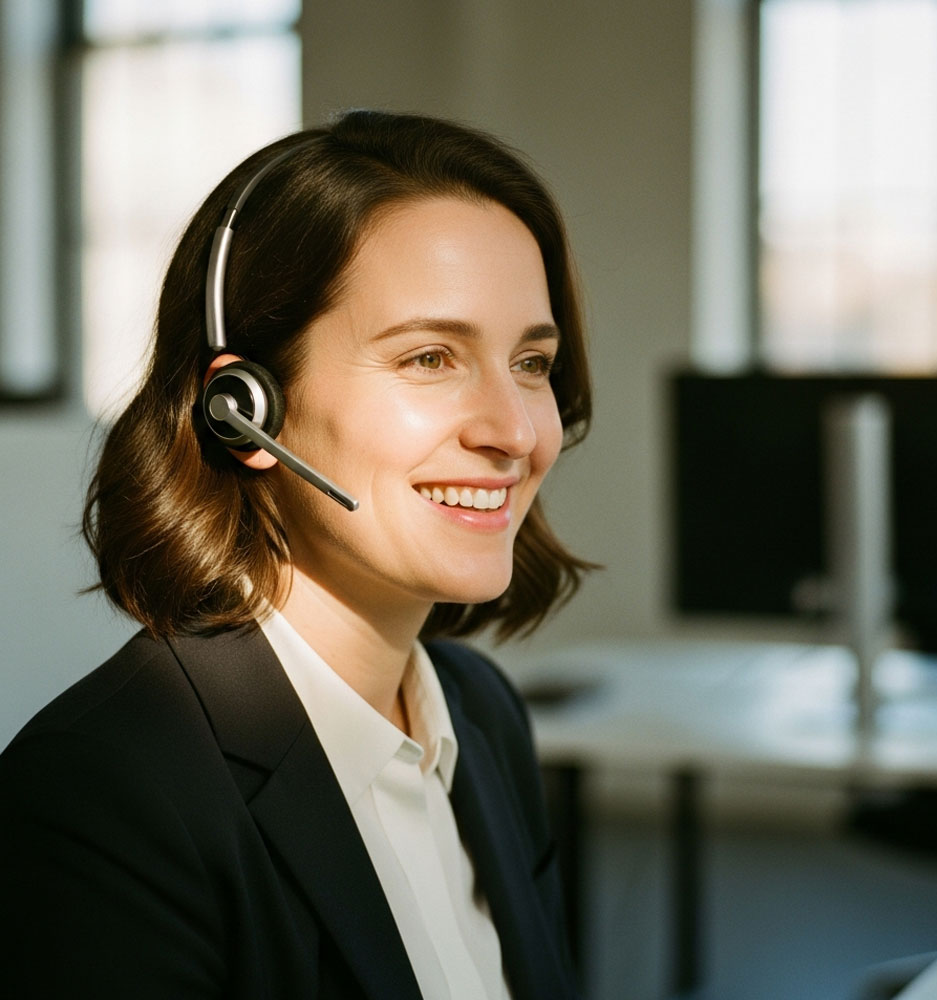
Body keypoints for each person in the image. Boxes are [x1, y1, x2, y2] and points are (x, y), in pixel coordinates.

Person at [0, 110, 592, 999]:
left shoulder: (481, 719)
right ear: (244, 410)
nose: (514, 432)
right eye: (431, 358)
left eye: (533, 363)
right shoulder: (100, 796)